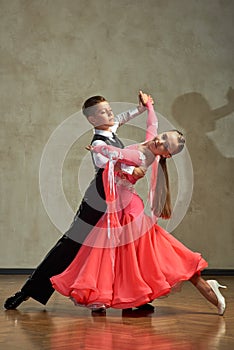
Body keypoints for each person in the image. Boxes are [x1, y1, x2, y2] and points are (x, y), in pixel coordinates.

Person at [50, 92, 227, 315]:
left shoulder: (144, 157)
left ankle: (194, 282)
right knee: (119, 253)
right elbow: (151, 124)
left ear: (166, 155)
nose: (159, 140)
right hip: (121, 206)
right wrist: (148, 107)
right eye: (162, 136)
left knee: (138, 252)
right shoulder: (150, 143)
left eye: (164, 145)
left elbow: (117, 153)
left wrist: (97, 148)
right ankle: (110, 296)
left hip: (128, 209)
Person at [4, 92, 149, 310]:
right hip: (97, 201)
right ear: (93, 119)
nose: (110, 113)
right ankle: (28, 291)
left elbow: (121, 118)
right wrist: (131, 165)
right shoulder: (98, 142)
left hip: (117, 199)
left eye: (109, 109)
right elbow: (104, 163)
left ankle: (132, 299)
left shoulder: (111, 129)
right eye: (103, 111)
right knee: (70, 246)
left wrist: (141, 108)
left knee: (125, 246)